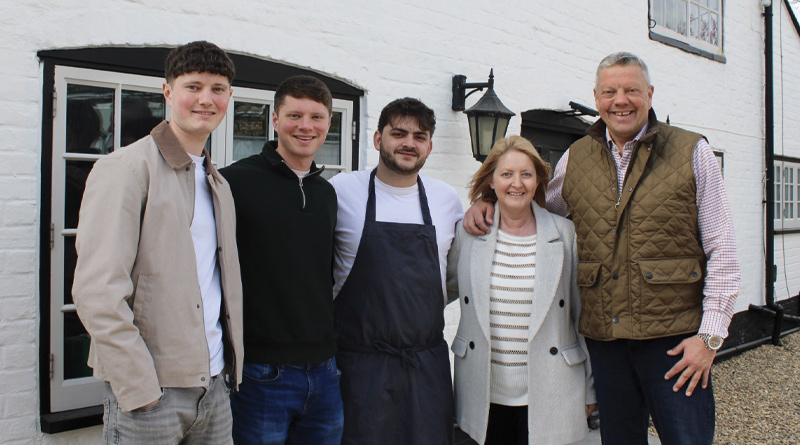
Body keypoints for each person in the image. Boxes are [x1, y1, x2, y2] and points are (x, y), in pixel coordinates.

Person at [463, 52, 740, 444]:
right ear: (597, 98)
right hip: (606, 344)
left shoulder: (692, 152)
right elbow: (538, 211)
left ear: (650, 93)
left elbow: (723, 250)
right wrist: (490, 201)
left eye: (631, 90)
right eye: (610, 91)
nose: (620, 100)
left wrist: (709, 338)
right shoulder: (576, 158)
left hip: (674, 342)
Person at [72, 41, 243, 444]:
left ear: (229, 98)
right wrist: (141, 391)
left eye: (218, 89)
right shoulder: (126, 169)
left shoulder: (218, 184)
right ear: (168, 92)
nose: (206, 99)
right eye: (194, 86)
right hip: (153, 395)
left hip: (215, 387)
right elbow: (97, 292)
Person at [330, 97, 463, 444]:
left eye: (419, 137)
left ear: (429, 147)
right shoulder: (342, 191)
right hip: (358, 368)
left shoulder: (447, 200)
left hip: (425, 368)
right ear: (378, 140)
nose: (409, 143)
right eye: (398, 133)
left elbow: (451, 279)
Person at [446, 136, 596, 444]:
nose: (517, 183)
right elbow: (440, 292)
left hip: (552, 388)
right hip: (483, 389)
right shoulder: (469, 233)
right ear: (491, 179)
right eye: (506, 174)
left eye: (526, 174)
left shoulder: (565, 234)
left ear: (539, 179)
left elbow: (584, 316)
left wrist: (591, 389)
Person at [220, 75, 342, 444]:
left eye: (317, 117)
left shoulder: (326, 192)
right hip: (261, 374)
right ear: (275, 120)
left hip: (325, 372)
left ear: (328, 124)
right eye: (295, 115)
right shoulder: (233, 183)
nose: (306, 126)